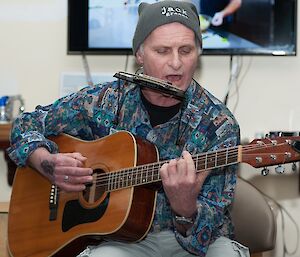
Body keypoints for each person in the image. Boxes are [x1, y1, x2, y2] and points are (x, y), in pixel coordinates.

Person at [8, 1, 249, 257]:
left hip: (199, 241)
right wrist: (47, 162)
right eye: (163, 50)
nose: (176, 63)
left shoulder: (219, 123)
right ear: (140, 54)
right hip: (123, 240)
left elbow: (207, 229)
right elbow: (25, 123)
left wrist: (185, 207)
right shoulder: (104, 100)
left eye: (186, 50)